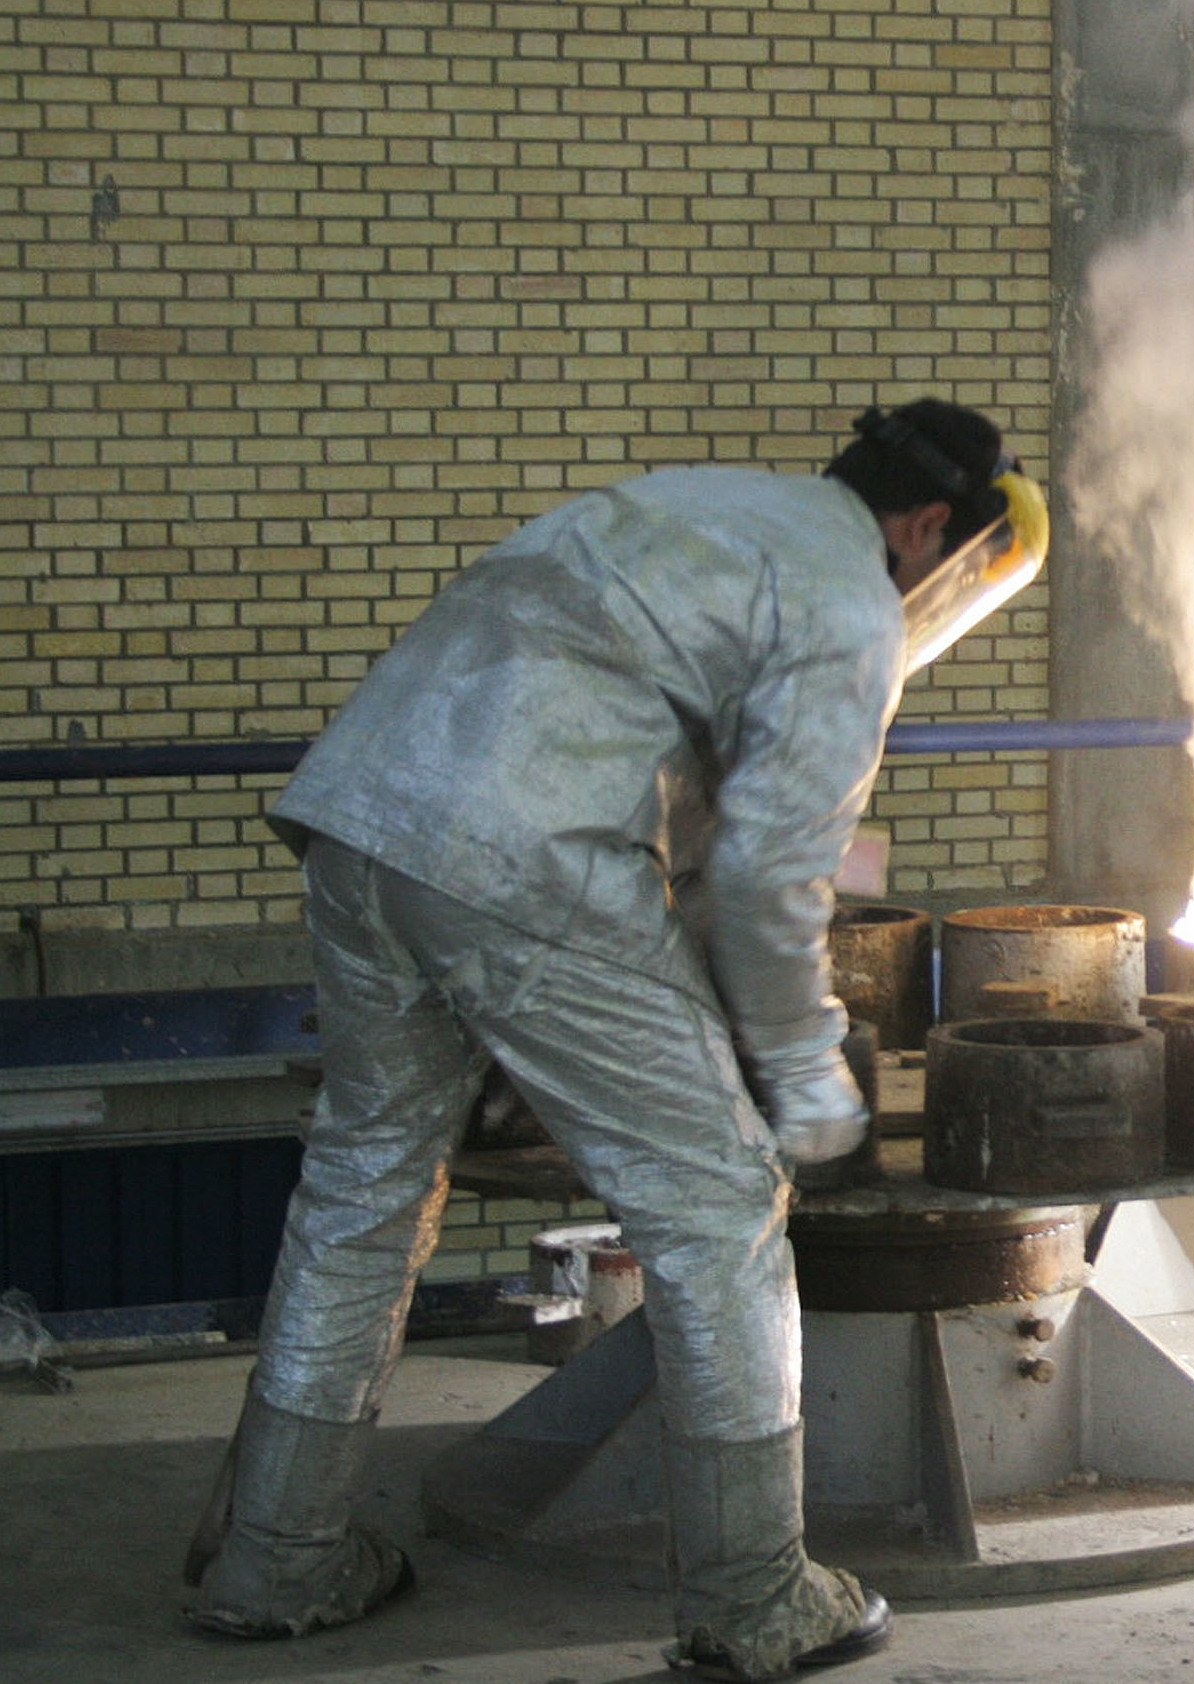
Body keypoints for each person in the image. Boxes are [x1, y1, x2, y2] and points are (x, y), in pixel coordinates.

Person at [182, 402, 1045, 1682]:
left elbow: (688, 815)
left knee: (365, 1186)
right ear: (927, 529)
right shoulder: (849, 601)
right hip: (524, 857)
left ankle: (275, 1558)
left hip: (364, 821)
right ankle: (756, 1598)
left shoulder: (702, 508)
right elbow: (765, 877)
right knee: (719, 1204)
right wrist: (805, 1073)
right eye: (953, 566)